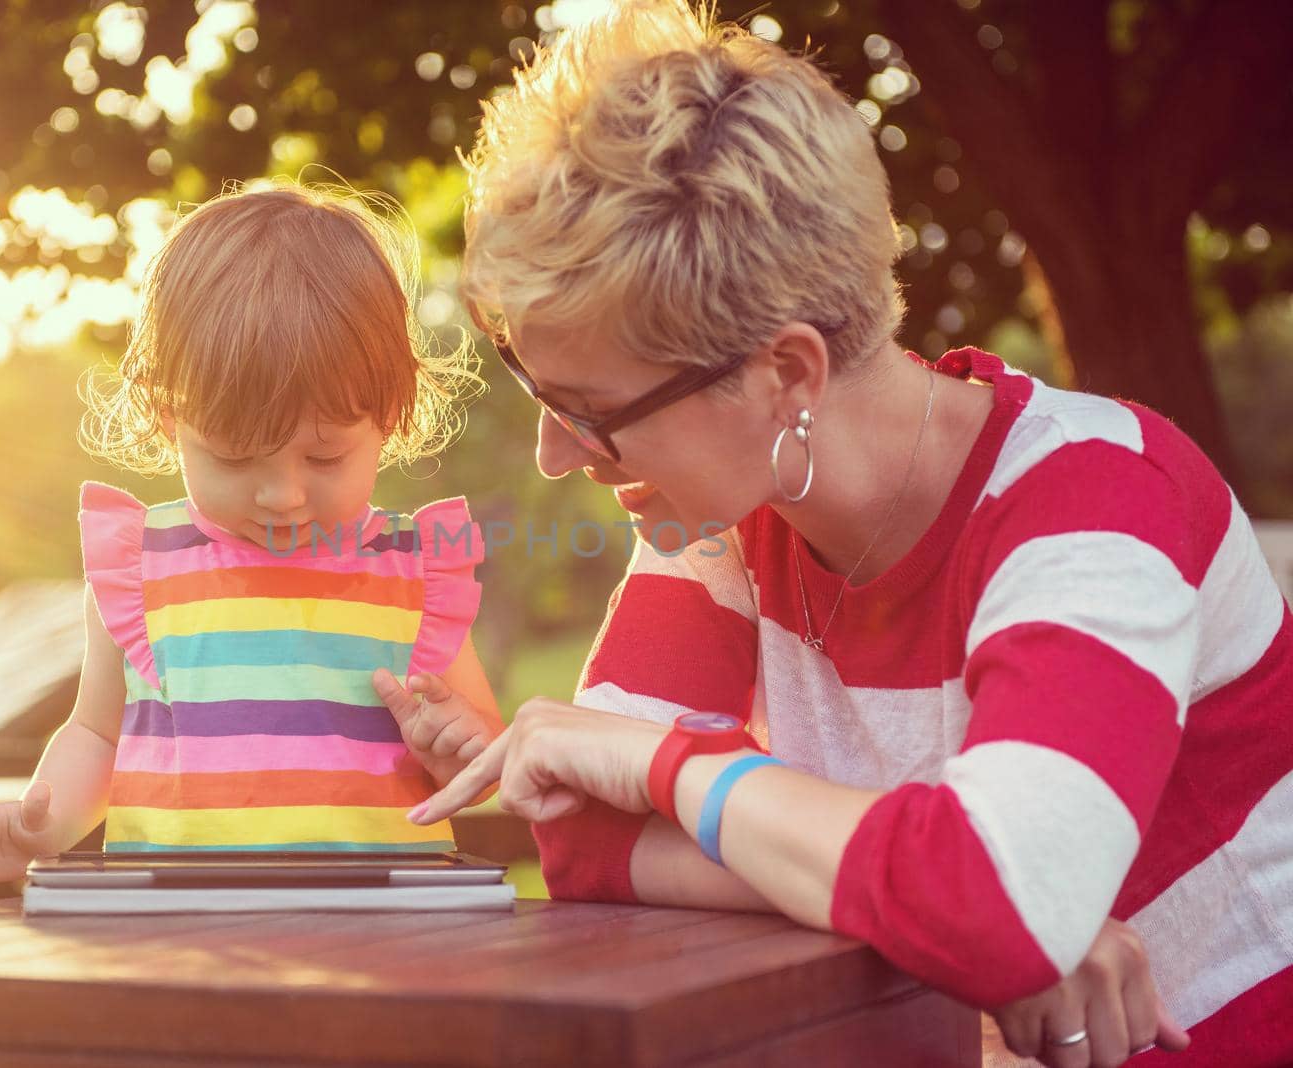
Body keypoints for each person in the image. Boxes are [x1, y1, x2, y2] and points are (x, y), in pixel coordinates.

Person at [410, 3, 1293, 1066]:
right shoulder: (724, 515)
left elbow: (991, 907)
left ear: (783, 374)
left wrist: (665, 766)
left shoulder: (1098, 501)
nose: (558, 455)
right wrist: (938, 905)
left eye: (591, 411)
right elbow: (582, 836)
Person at [0, 181, 503, 892]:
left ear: (391, 411)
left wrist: (459, 748)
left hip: (380, 938)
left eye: (324, 458)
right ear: (168, 416)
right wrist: (29, 832)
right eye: (233, 458)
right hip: (177, 927)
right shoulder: (140, 570)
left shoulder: (414, 577)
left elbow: (480, 760)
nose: (281, 494)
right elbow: (96, 737)